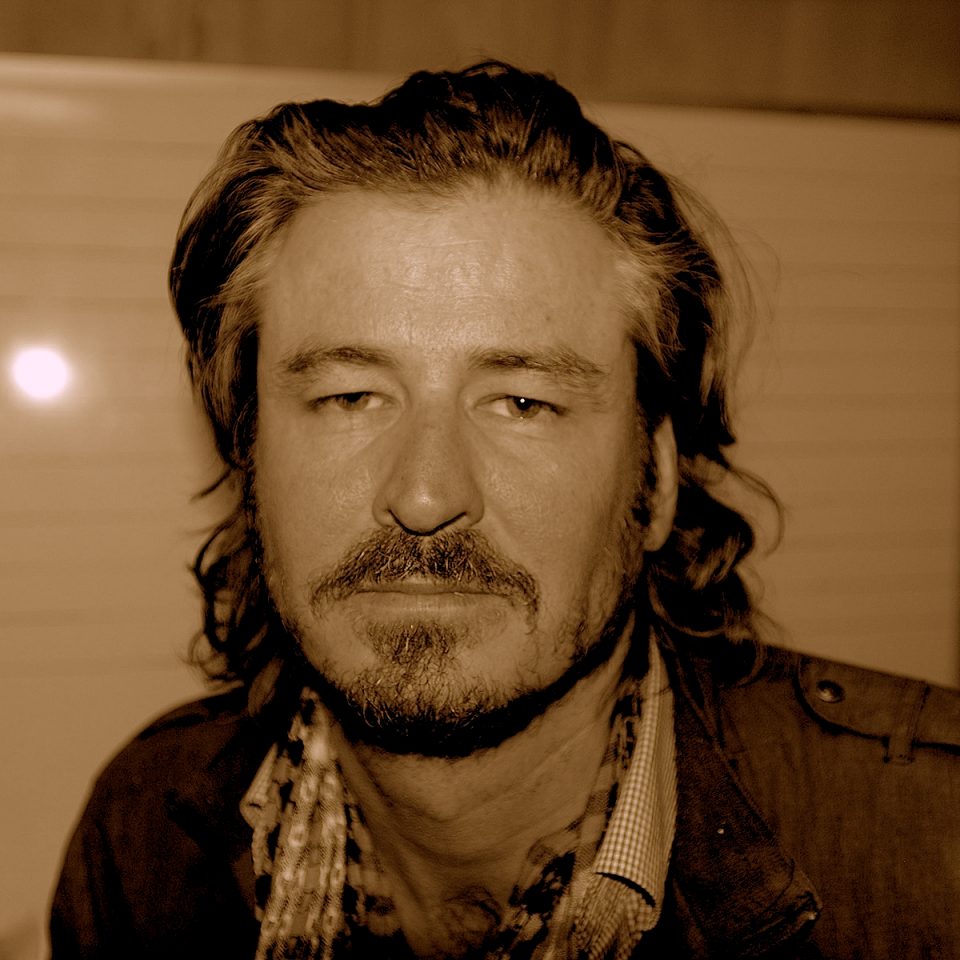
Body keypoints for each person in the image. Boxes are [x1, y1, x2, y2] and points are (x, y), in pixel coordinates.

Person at [50, 61, 959, 960]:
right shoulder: (142, 837)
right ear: (250, 461)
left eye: (524, 403)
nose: (425, 496)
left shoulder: (934, 859)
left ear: (654, 482)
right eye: (348, 397)